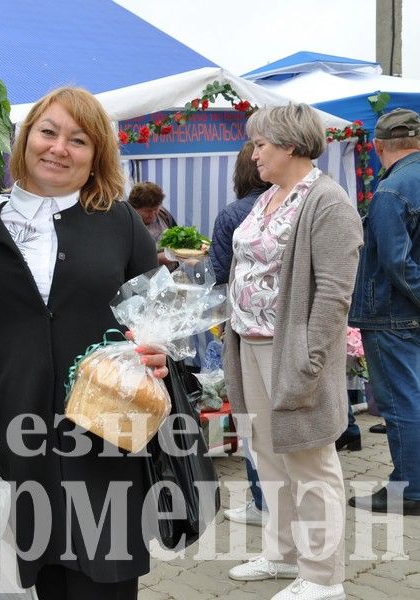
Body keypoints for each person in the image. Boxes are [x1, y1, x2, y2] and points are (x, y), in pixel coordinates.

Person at [0, 87, 168, 600]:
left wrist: (160, 353)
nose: (59, 148)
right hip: (14, 425)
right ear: (26, 138)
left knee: (107, 574)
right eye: (48, 132)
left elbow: (160, 315)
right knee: (38, 573)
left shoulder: (119, 221)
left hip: (104, 428)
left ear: (97, 154)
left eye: (78, 140)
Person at [223, 104, 361, 600]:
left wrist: (308, 361)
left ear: (289, 145)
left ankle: (324, 578)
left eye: (260, 144)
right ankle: (282, 554)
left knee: (310, 462)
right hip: (251, 346)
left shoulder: (327, 203)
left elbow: (333, 295)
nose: (253, 153)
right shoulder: (270, 198)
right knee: (267, 455)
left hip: (292, 355)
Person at [348, 108, 420, 516]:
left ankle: (409, 490)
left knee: (401, 403)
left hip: (394, 314)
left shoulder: (392, 192)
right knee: (412, 399)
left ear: (377, 147)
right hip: (404, 311)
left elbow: (395, 261)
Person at [212, 141, 271, 527]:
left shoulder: (234, 213)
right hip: (284, 333)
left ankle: (261, 501)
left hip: (242, 329)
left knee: (250, 417)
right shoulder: (298, 206)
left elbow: (220, 276)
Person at [127, 181, 177, 266]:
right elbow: (125, 261)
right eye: (148, 211)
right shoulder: (126, 225)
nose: (153, 214)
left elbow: (176, 239)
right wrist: (156, 259)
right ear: (134, 208)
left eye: (156, 208)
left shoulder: (164, 215)